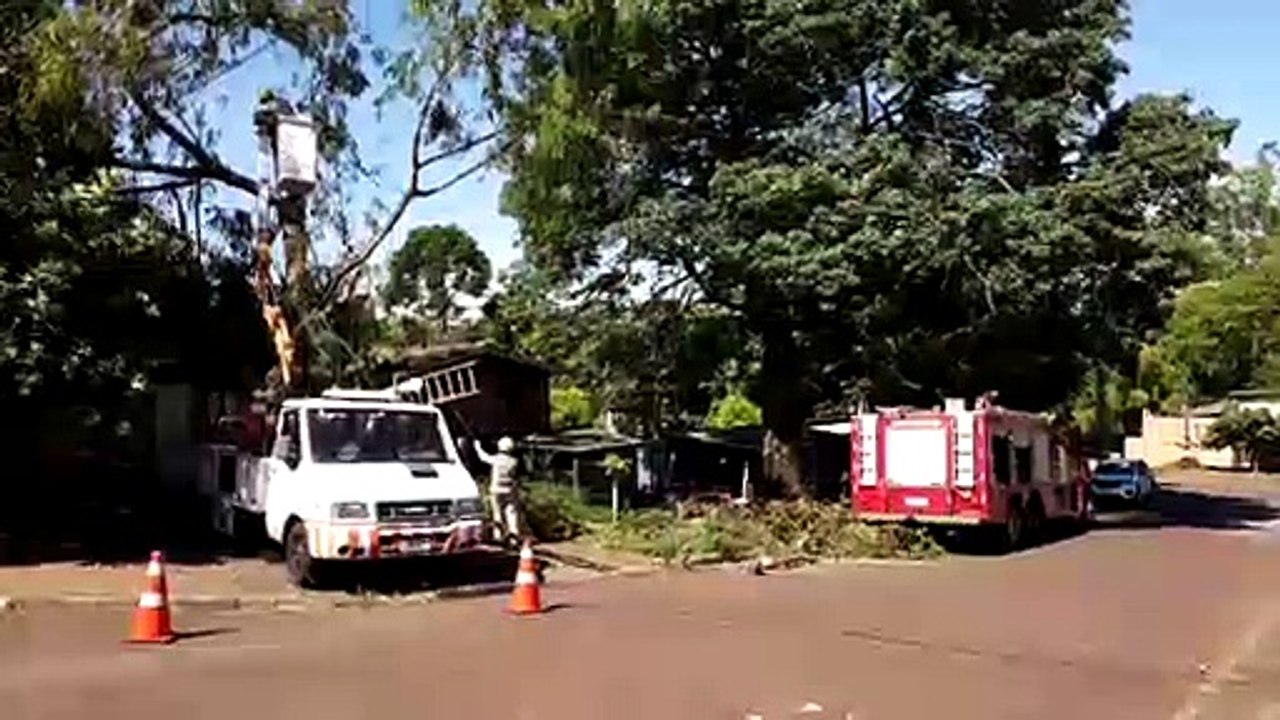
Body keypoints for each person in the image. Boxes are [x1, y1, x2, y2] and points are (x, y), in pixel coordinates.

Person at [472, 436, 522, 546]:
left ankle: (498, 536)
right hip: (510, 490)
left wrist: (477, 446)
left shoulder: (496, 459)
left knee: (497, 513)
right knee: (512, 514)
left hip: (496, 490)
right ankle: (514, 537)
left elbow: (483, 457)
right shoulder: (514, 461)